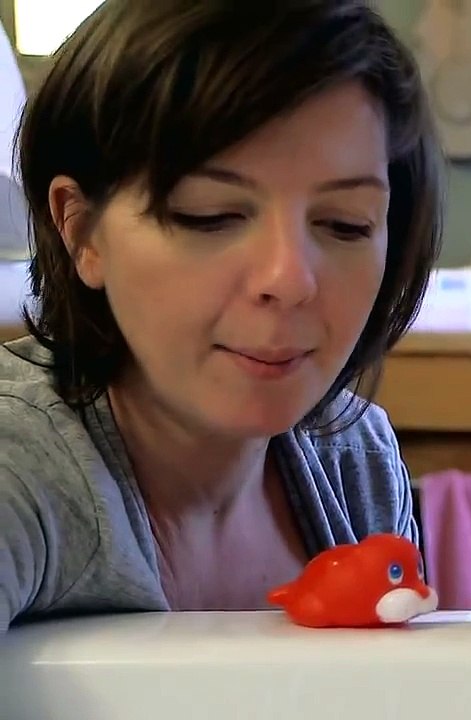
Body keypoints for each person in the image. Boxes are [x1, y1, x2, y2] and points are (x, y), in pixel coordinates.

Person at [0, 0, 443, 632]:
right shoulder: (19, 466)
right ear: (81, 231)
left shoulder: (355, 456)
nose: (289, 281)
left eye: (345, 225)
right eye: (209, 215)